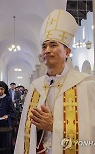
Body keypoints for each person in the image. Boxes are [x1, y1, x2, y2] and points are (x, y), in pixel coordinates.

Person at [15, 9, 95, 154]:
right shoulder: (36, 87)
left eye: (53, 45)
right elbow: (25, 133)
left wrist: (54, 126)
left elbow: (90, 132)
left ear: (67, 52)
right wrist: (37, 128)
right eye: (44, 46)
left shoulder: (85, 85)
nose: (47, 50)